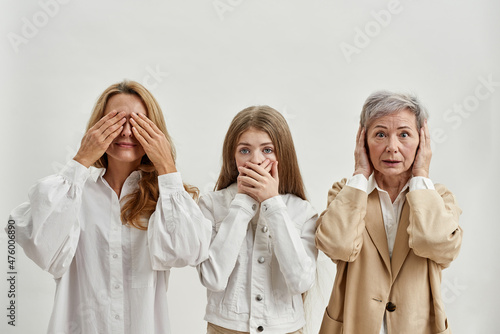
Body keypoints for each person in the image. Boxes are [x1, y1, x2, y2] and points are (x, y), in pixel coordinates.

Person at [8, 80, 212, 334]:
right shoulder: (72, 194)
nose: (126, 132)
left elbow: (189, 252)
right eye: (116, 121)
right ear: (98, 127)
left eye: (138, 123)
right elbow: (42, 247)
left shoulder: (168, 199)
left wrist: (167, 167)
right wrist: (81, 159)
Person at [315, 91, 463, 334]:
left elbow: (436, 244)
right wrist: (361, 172)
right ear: (363, 141)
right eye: (380, 135)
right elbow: (336, 245)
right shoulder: (346, 191)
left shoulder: (438, 197)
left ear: (421, 142)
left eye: (404, 135)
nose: (392, 147)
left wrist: (421, 175)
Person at [197, 106, 318, 334]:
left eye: (267, 150)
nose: (255, 160)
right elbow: (213, 278)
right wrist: (243, 203)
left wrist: (272, 204)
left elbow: (301, 281)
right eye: (245, 150)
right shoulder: (211, 205)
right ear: (233, 157)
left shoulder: (302, 211)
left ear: (282, 155)